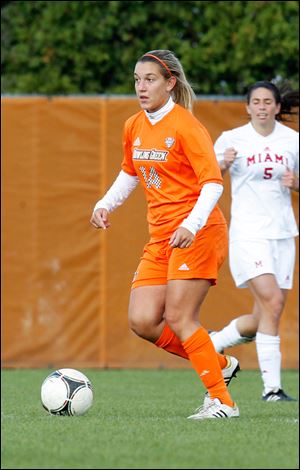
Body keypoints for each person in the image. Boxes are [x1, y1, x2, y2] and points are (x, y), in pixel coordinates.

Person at [90, 49, 240, 419]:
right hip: (161, 238)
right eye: (138, 80)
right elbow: (130, 172)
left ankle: (222, 402)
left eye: (150, 79)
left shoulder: (187, 126)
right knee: (142, 320)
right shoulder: (133, 125)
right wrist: (105, 203)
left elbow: (212, 184)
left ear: (170, 83)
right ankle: (216, 363)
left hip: (198, 231)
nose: (142, 87)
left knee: (179, 316)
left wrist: (191, 224)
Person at [210, 81, 299, 402]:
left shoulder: (293, 141)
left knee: (265, 316)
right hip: (248, 235)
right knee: (273, 302)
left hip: (283, 236)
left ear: (277, 107)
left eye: (268, 102)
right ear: (247, 107)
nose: (262, 106)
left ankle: (215, 343)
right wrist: (221, 165)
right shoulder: (231, 140)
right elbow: (204, 180)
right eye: (256, 102)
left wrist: (296, 182)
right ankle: (272, 389)